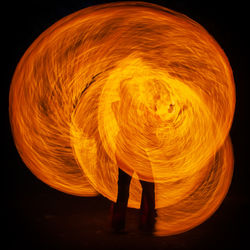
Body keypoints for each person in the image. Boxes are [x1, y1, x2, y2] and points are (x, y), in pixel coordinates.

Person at [110, 83, 159, 234]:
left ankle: (130, 223)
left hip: (129, 151)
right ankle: (144, 223)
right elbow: (144, 132)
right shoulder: (121, 107)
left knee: (128, 189)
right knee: (141, 188)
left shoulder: (139, 108)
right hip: (129, 151)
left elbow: (150, 135)